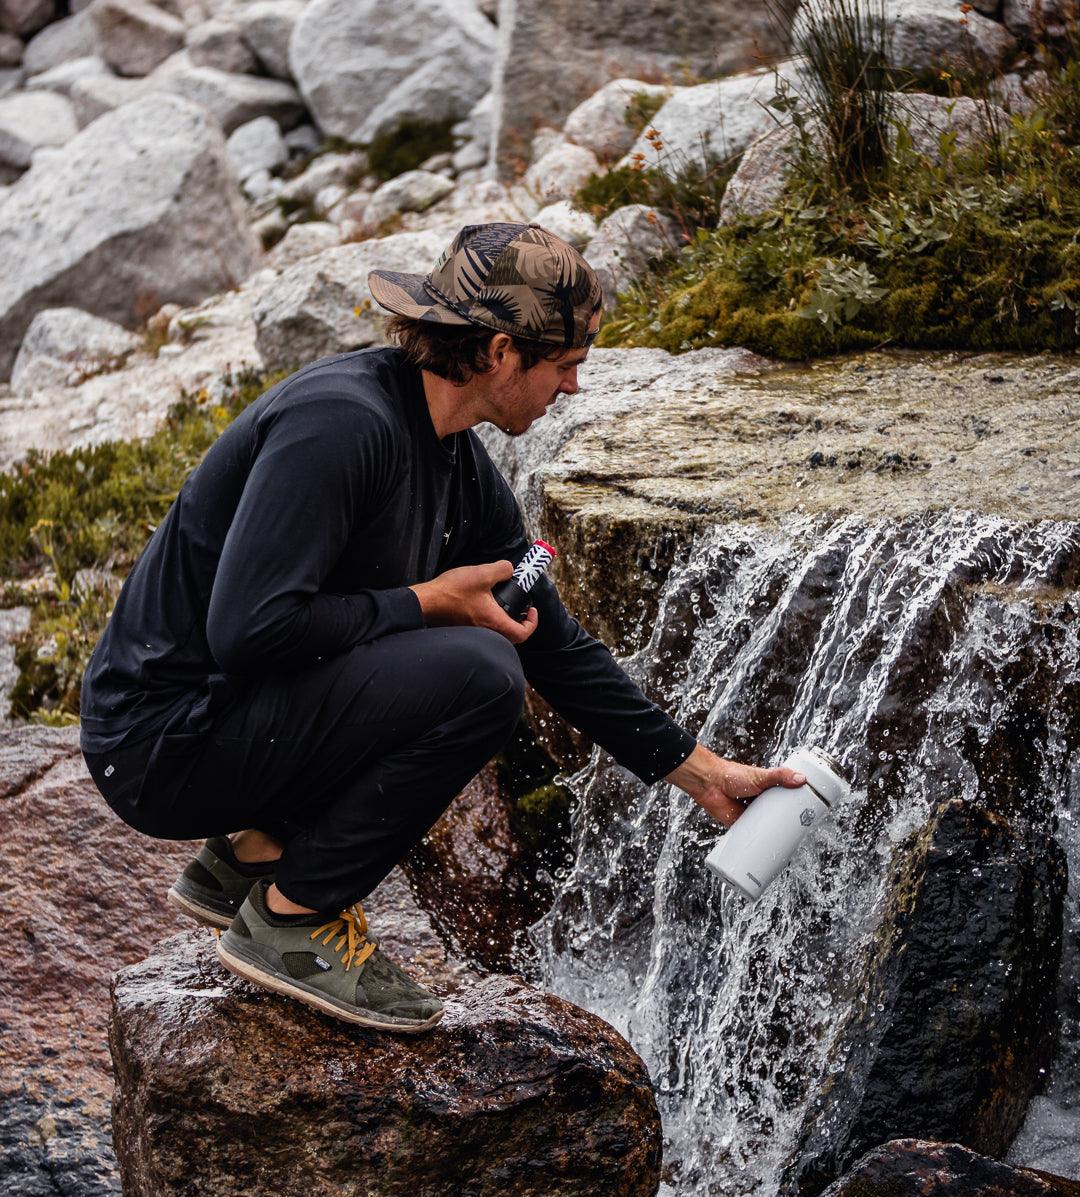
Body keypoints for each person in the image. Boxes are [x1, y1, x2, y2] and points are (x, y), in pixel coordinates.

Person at [79, 221, 806, 1036]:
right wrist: (426, 602)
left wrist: (704, 776)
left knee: (495, 647)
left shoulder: (456, 455)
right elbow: (248, 630)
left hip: (233, 719)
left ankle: (248, 857)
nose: (572, 389)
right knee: (478, 674)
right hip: (161, 743)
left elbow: (549, 637)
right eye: (564, 367)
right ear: (500, 352)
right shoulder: (340, 426)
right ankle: (294, 920)